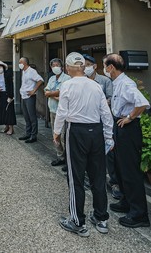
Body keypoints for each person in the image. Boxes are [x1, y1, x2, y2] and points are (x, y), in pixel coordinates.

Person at [54, 52, 114, 237]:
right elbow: (105, 112)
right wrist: (109, 136)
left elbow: (62, 112)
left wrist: (56, 133)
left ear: (70, 68)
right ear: (82, 67)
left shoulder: (67, 85)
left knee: (76, 177)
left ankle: (77, 221)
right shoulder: (95, 86)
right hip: (96, 131)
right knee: (98, 177)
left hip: (76, 131)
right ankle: (101, 218)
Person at [103, 53, 151, 228]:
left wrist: (130, 118)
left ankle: (139, 214)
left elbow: (142, 103)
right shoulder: (118, 83)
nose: (104, 69)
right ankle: (126, 202)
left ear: (111, 68)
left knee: (130, 171)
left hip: (128, 129)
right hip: (119, 126)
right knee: (120, 168)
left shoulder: (126, 83)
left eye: (105, 66)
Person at [83, 54, 119, 198]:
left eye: (87, 65)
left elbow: (111, 98)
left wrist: (101, 105)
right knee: (90, 152)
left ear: (94, 66)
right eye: (83, 65)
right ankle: (92, 179)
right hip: (88, 122)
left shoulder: (104, 81)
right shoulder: (82, 82)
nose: (85, 68)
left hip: (103, 121)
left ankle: (114, 182)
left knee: (109, 152)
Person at [44, 58, 71, 166]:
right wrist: (55, 95)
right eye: (53, 65)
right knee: (55, 135)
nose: (55, 67)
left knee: (64, 136)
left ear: (62, 67)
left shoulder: (67, 78)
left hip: (64, 112)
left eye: (57, 65)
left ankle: (68, 160)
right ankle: (60, 157)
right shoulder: (51, 78)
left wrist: (51, 94)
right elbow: (46, 91)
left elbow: (62, 93)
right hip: (53, 110)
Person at [18, 57, 44, 143]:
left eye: (20, 62)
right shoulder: (24, 71)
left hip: (30, 97)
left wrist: (34, 91)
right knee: (26, 116)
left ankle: (33, 136)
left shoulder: (32, 71)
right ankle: (28, 133)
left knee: (32, 117)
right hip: (24, 96)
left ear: (25, 63)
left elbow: (40, 80)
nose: (19, 64)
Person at [0, 60, 15, 135]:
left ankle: (11, 129)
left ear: (3, 67)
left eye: (0, 66)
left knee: (9, 111)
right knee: (3, 111)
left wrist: (10, 96)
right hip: (1, 95)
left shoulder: (8, 74)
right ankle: (6, 127)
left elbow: (11, 85)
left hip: (7, 95)